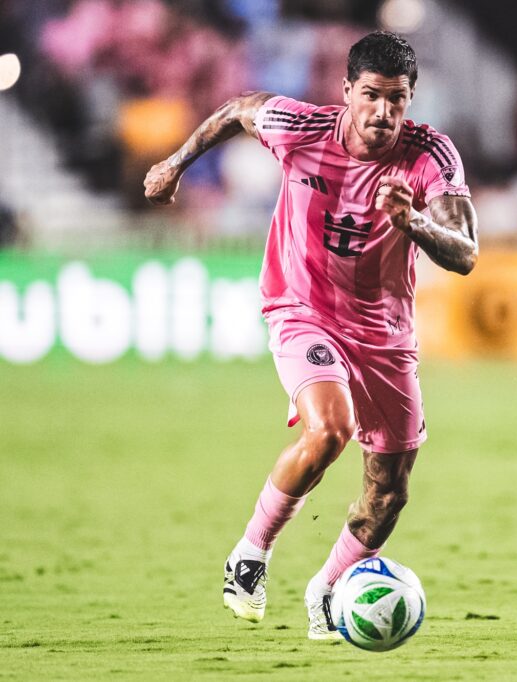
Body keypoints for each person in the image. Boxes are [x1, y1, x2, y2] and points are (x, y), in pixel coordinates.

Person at [144, 31, 478, 637]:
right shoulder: (299, 128)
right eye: (371, 95)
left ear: (410, 99)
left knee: (390, 490)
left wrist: (414, 222)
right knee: (330, 429)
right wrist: (174, 165)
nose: (383, 112)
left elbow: (466, 252)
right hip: (303, 308)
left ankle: (327, 590)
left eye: (397, 99)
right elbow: (238, 110)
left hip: (385, 332)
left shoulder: (430, 154)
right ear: (346, 91)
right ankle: (250, 554)